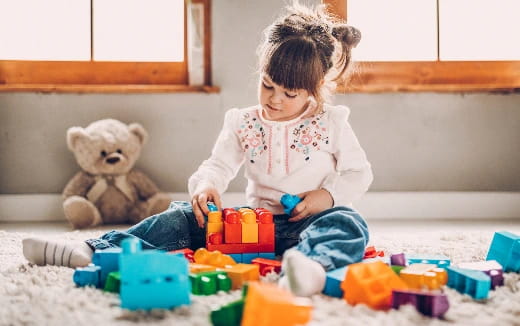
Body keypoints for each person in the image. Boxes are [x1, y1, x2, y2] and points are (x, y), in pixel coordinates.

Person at [22, 1, 372, 297]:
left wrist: (327, 196)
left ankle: (310, 267)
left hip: (310, 223)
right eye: (267, 85)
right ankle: (91, 249)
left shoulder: (332, 122)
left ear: (315, 88)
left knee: (348, 222)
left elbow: (359, 173)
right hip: (253, 227)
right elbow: (218, 165)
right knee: (179, 217)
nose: (274, 99)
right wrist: (206, 187)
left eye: (289, 94)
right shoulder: (243, 121)